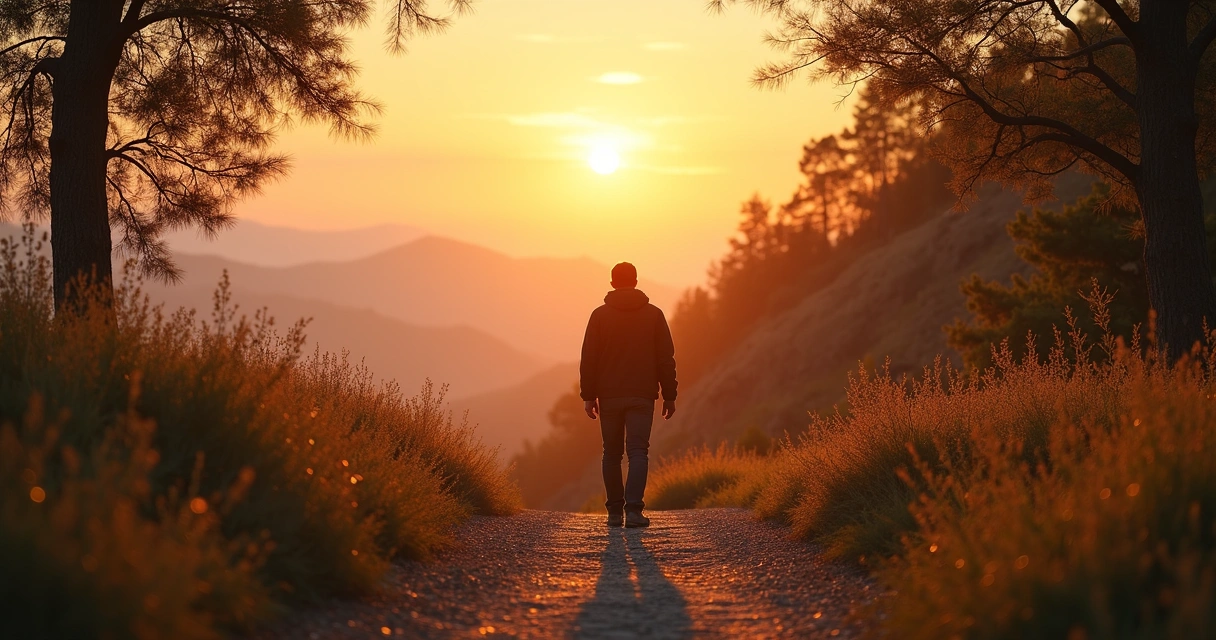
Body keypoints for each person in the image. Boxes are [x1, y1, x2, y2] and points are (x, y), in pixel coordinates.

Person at [579, 262, 678, 528]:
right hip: (642, 396)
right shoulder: (654, 315)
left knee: (611, 454)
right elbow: (666, 359)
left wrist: (588, 396)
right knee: (637, 452)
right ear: (636, 281)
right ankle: (634, 511)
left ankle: (614, 514)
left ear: (612, 284)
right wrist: (669, 396)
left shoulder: (598, 316)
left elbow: (588, 359)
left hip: (609, 396)